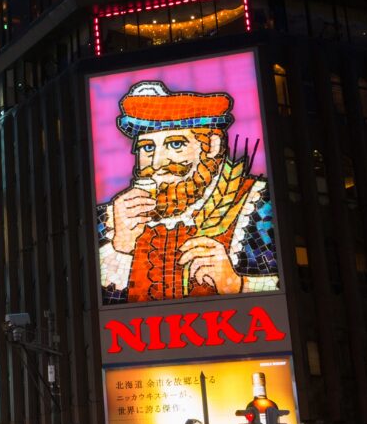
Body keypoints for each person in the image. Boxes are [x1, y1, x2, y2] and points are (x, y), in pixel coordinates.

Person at [97, 78, 278, 303]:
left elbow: (292, 287)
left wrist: (238, 283)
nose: (158, 162)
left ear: (212, 146)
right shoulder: (110, 219)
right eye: (147, 148)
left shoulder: (259, 204)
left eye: (175, 144)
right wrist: (120, 248)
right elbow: (88, 307)